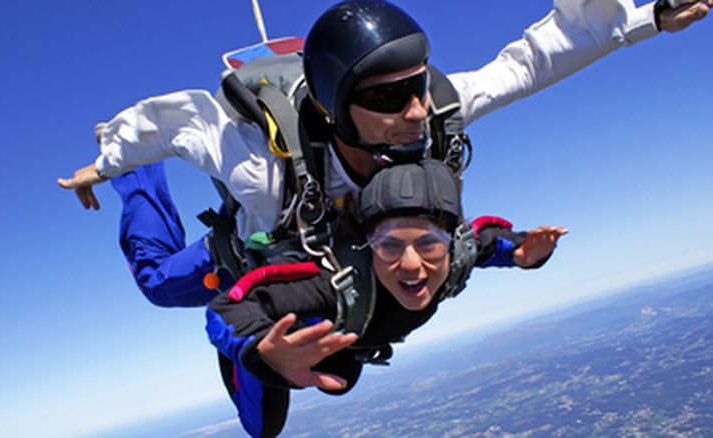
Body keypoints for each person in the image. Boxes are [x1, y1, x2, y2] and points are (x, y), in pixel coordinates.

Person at [57, 0, 709, 307]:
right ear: (339, 109)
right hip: (275, 240)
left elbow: (534, 59)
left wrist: (645, 12)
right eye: (391, 99)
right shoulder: (262, 167)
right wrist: (112, 160)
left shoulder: (433, 116)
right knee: (157, 285)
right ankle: (138, 187)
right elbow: (183, 122)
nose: (418, 111)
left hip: (354, 240)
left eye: (419, 87)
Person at [205, 159, 568, 437]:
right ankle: (145, 165)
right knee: (263, 427)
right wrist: (257, 351)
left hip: (354, 336)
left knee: (342, 377)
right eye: (390, 246)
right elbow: (230, 306)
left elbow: (493, 239)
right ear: (368, 246)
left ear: (450, 242)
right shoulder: (331, 285)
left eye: (428, 244)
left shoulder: (458, 255)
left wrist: (525, 254)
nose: (412, 264)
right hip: (279, 314)